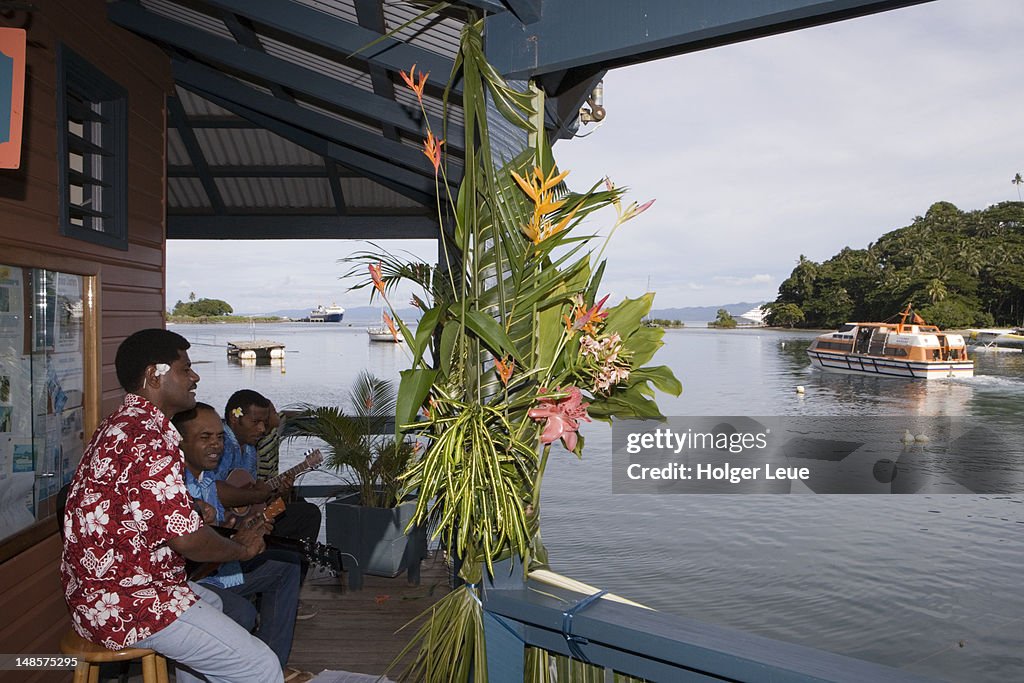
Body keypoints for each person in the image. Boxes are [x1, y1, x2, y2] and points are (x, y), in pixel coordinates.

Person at [59, 329, 282, 683]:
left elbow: (134, 499)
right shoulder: (150, 438)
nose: (195, 377)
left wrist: (191, 504)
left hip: (98, 596)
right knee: (261, 667)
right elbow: (188, 542)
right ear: (154, 375)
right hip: (131, 604)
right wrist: (240, 548)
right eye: (185, 369)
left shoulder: (120, 425)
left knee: (219, 606)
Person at [173, 403, 312, 681]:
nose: (216, 445)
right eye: (205, 438)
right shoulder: (174, 486)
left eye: (219, 437)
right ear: (180, 442)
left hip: (219, 573)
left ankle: (272, 666)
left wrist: (247, 528)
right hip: (190, 585)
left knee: (286, 565)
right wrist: (240, 544)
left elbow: (223, 530)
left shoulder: (209, 482)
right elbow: (194, 548)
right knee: (243, 612)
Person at [211, 391, 322, 596]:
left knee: (307, 514)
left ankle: (285, 590)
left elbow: (253, 498)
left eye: (264, 422)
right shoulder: (222, 444)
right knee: (303, 517)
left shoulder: (250, 451)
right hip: (222, 527)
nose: (262, 429)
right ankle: (270, 586)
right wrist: (256, 497)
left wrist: (278, 493)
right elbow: (215, 490)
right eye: (256, 422)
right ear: (235, 418)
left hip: (244, 519)